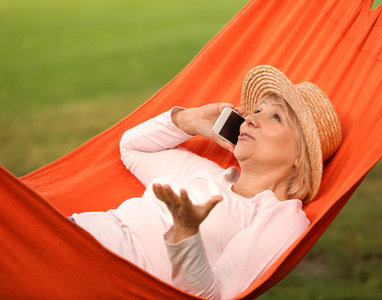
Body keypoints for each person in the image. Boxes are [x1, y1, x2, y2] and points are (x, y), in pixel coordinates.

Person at [70, 65, 342, 299]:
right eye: (256, 110)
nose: (250, 119)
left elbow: (215, 295)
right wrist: (191, 121)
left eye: (275, 116)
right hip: (76, 233)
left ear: (300, 156)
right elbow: (132, 148)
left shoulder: (279, 217)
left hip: (113, 275)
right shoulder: (208, 174)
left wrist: (186, 234)